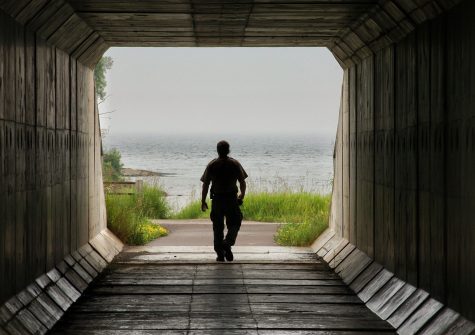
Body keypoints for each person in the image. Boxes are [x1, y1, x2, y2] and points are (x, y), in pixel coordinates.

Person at [200, 140, 248, 262]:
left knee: (217, 227)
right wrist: (241, 195)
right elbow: (242, 181)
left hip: (217, 199)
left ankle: (220, 254)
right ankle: (228, 242)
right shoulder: (235, 164)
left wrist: (203, 200)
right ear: (228, 150)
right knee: (235, 222)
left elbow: (205, 184)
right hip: (231, 198)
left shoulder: (212, 164)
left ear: (217, 150)